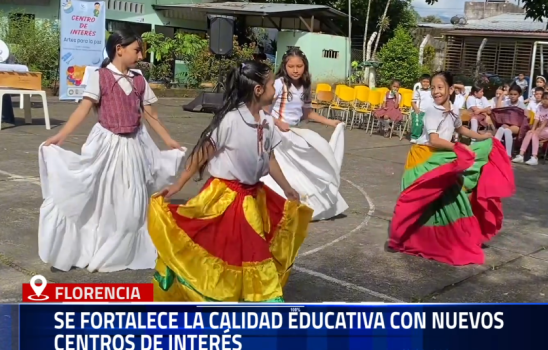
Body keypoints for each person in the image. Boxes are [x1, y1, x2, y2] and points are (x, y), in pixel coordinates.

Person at [148, 61, 313, 302]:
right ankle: (259, 300)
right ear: (258, 90)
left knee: (241, 253)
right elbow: (201, 154)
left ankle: (242, 295)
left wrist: (287, 188)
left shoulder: (267, 123)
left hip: (254, 196)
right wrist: (178, 185)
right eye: (270, 84)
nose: (275, 88)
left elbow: (271, 159)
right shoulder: (231, 120)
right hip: (227, 197)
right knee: (246, 250)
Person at [38, 31, 185, 273]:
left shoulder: (139, 79)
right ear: (119, 49)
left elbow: (150, 114)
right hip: (107, 143)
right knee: (104, 196)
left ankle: (129, 245)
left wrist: (168, 140)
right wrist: (60, 136)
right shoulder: (101, 77)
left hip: (134, 144)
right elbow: (83, 110)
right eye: (136, 50)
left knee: (134, 198)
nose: (141, 55)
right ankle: (100, 242)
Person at [387, 71, 514, 266]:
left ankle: (452, 236)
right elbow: (434, 140)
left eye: (440, 87)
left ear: (451, 89)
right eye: (434, 88)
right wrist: (458, 147)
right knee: (419, 201)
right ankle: (407, 236)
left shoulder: (455, 110)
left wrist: (481, 138)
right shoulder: (431, 111)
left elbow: (460, 129)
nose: (436, 92)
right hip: (424, 158)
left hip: (442, 155)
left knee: (452, 198)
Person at [262, 48, 346, 221]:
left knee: (309, 162)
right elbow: (264, 110)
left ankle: (305, 205)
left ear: (305, 66)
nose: (295, 70)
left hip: (293, 133)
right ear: (284, 67)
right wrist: (278, 122)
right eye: (291, 66)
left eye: (299, 66)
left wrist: (330, 122)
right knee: (283, 170)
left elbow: (307, 112)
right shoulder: (279, 84)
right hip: (277, 133)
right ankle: (276, 206)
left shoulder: (305, 85)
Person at [513, 92, 548, 166]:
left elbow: (546, 120)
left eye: (547, 99)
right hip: (539, 129)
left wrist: (538, 130)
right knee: (530, 132)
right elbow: (536, 118)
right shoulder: (539, 107)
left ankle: (534, 157)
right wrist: (533, 129)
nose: (545, 100)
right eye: (544, 98)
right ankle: (521, 155)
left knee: (535, 134)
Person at [495, 84, 526, 157]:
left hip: (517, 126)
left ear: (519, 95)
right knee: (502, 129)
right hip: (506, 124)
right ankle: (494, 149)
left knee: (507, 130)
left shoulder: (521, 105)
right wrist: (501, 97)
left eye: (515, 94)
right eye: (511, 94)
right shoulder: (506, 103)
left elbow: (524, 118)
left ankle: (508, 154)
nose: (512, 96)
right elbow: (498, 110)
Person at [410, 74, 432, 143]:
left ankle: (426, 137)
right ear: (421, 82)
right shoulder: (418, 91)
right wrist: (416, 109)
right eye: (424, 82)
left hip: (429, 112)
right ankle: (415, 137)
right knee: (417, 122)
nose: (425, 83)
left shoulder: (432, 91)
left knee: (430, 124)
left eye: (427, 82)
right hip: (419, 110)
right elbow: (413, 102)